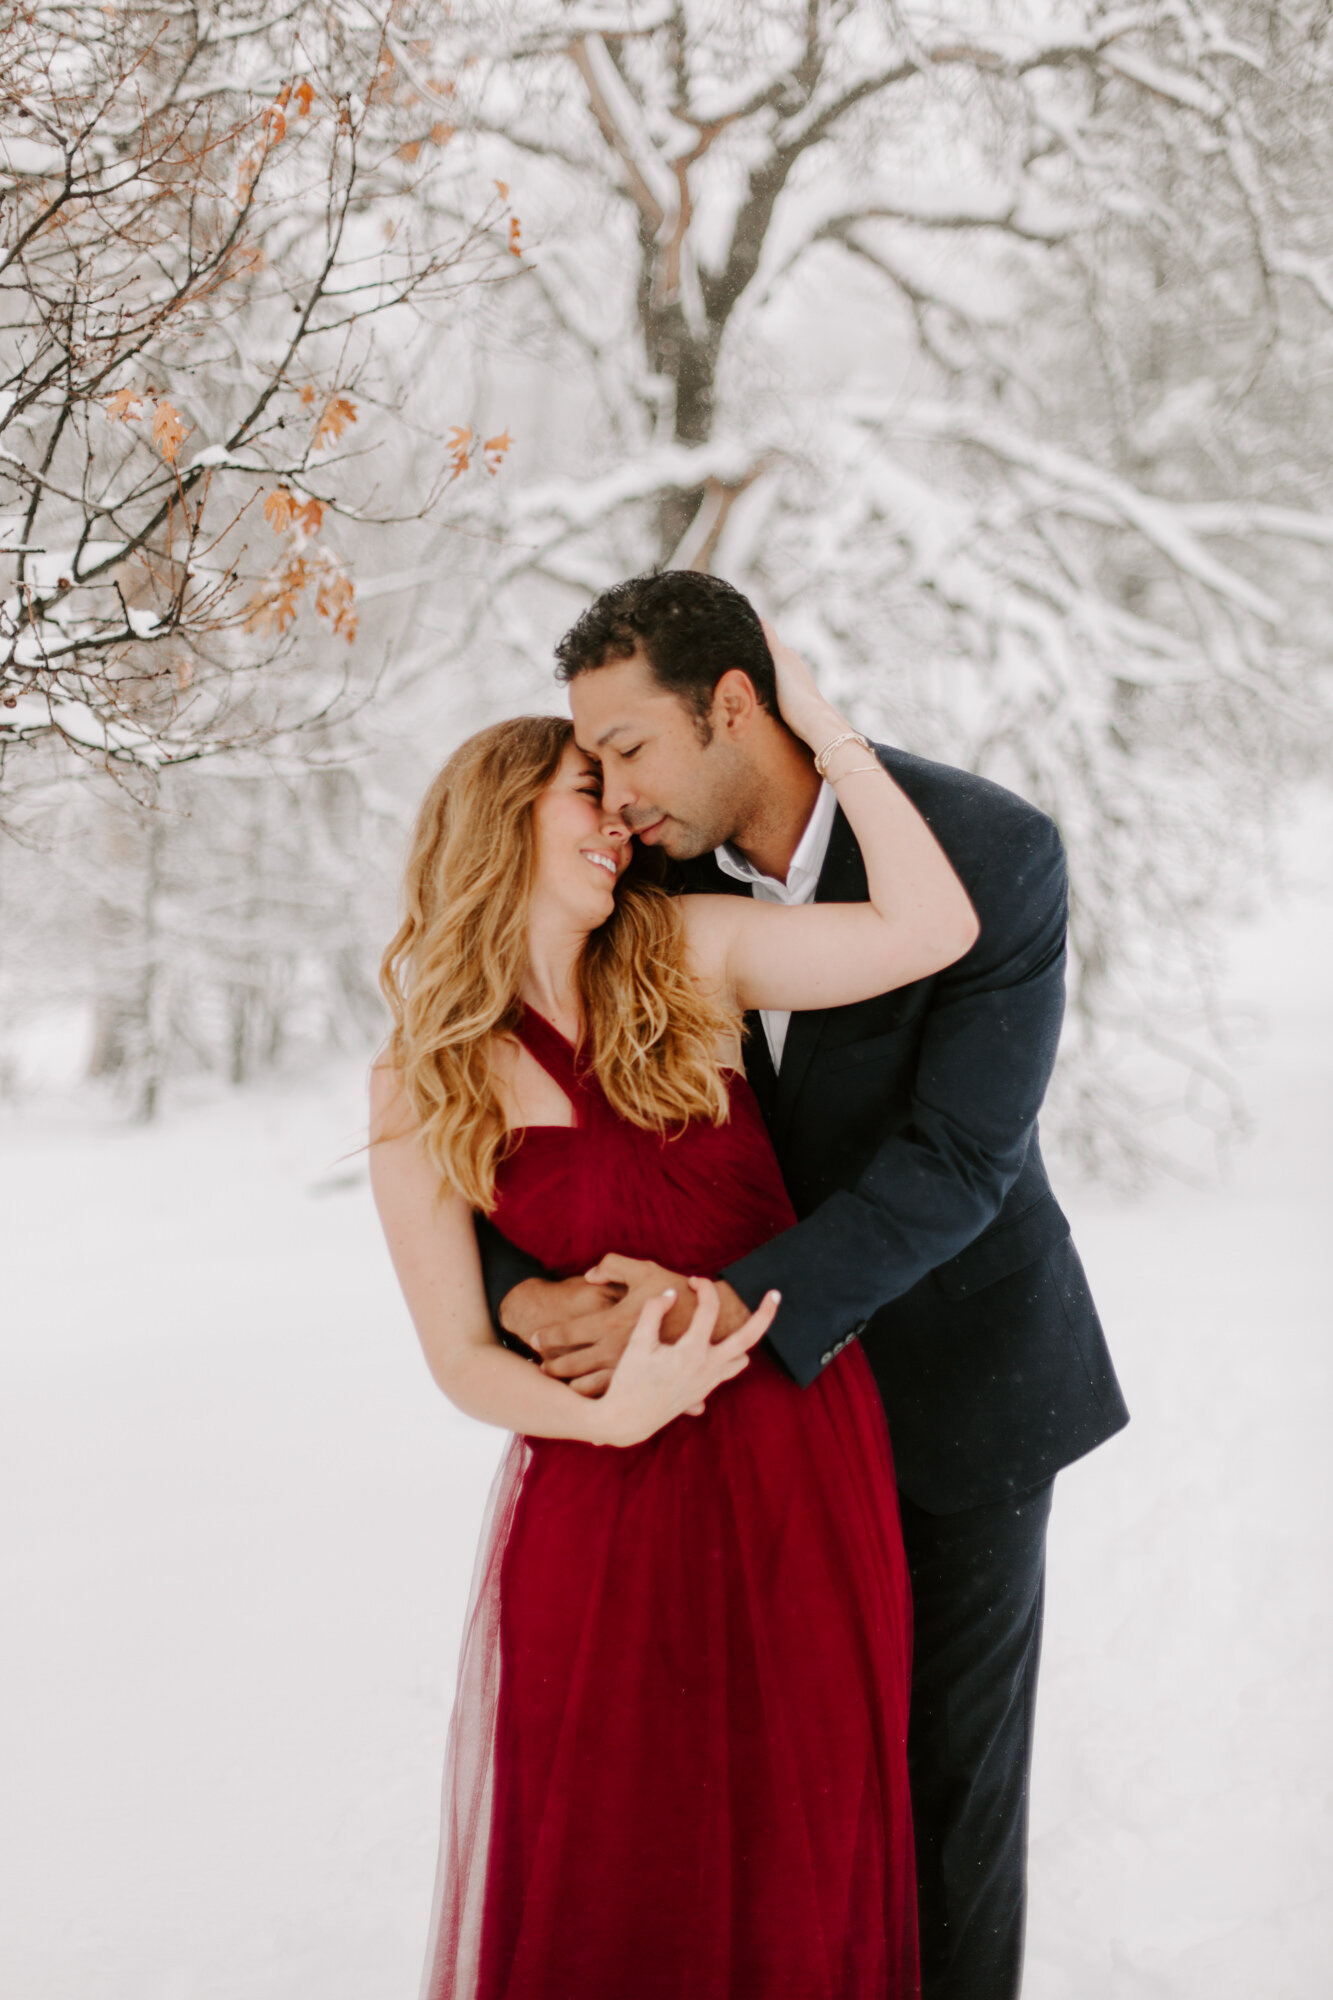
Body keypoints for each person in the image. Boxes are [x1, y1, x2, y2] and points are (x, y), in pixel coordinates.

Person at [478, 572, 1130, 2000]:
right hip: (739, 1436)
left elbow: (958, 1159)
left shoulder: (987, 853)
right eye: (589, 765)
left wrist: (725, 1308)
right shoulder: (647, 869)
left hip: (959, 1389)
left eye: (630, 750)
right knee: (764, 1795)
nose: (611, 792)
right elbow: (513, 1077)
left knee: (939, 1794)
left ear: (732, 707)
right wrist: (512, 1290)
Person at [369, 637, 980, 2000]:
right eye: (587, 790)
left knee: (795, 1829)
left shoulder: (687, 958)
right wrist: (624, 1405)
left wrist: (827, 731)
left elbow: (932, 931)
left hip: (791, 1456)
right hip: (600, 1489)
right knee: (616, 1845)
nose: (621, 817)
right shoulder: (423, 1080)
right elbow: (461, 1358)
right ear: (504, 817)